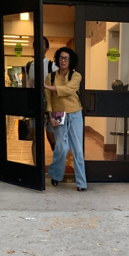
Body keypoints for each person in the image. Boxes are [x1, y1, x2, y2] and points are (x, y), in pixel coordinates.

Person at [45, 47, 86, 191]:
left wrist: (49, 87)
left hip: (75, 114)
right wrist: (50, 116)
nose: (63, 61)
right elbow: (49, 100)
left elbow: (69, 89)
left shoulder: (76, 76)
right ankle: (56, 175)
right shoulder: (50, 77)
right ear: (57, 59)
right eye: (61, 58)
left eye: (66, 58)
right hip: (58, 114)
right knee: (61, 148)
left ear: (71, 61)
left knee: (77, 149)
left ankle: (81, 182)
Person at [27, 36, 57, 151]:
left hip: (52, 107)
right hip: (35, 105)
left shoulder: (52, 66)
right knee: (35, 138)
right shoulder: (28, 66)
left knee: (53, 139)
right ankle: (37, 162)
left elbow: (58, 87)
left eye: (42, 45)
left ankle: (58, 161)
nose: (39, 47)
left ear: (47, 49)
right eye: (36, 45)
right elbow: (28, 87)